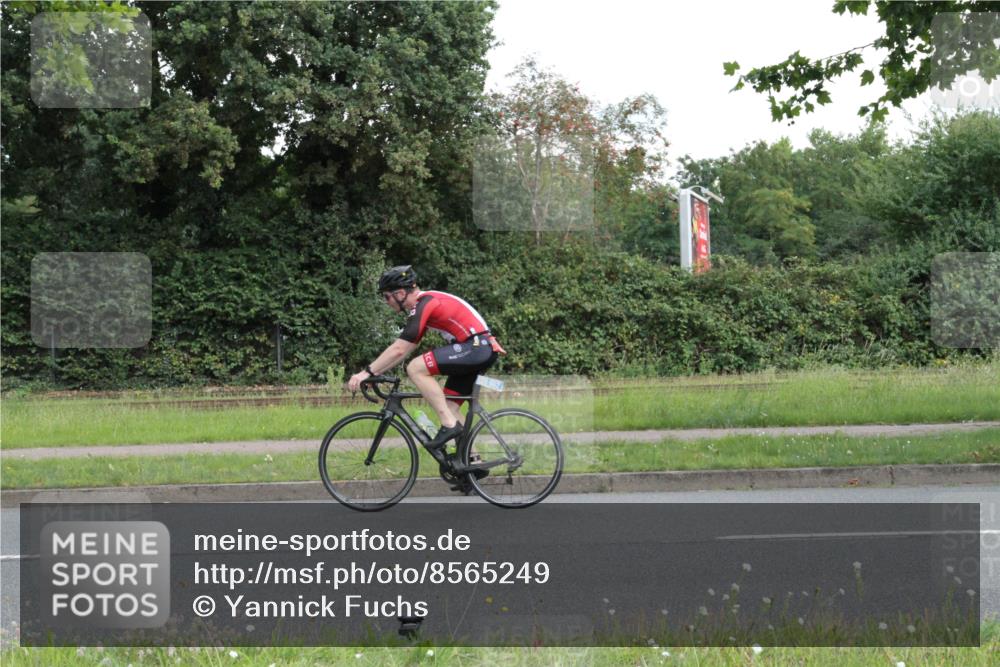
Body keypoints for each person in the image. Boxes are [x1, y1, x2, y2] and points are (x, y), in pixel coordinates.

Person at [347, 265, 506, 449]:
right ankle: (472, 461)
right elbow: (405, 349)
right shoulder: (424, 305)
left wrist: (365, 373)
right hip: (478, 348)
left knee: (415, 368)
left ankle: (449, 425)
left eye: (387, 296)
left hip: (475, 346)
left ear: (400, 293)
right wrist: (373, 372)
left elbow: (399, 348)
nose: (386, 301)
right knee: (450, 407)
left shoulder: (425, 302)